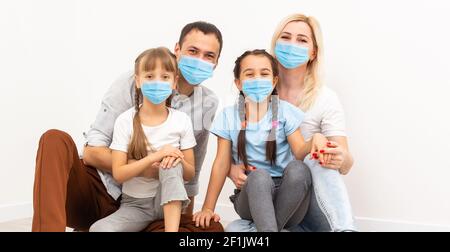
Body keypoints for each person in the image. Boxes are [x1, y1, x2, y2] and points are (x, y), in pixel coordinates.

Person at [32, 21, 223, 232]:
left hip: (156, 204)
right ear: (177, 49)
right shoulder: (132, 85)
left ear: (216, 62)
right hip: (102, 191)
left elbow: (192, 170)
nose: (199, 61)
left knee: (211, 229)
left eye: (209, 56)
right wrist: (149, 167)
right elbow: (92, 153)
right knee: (54, 139)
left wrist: (183, 221)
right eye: (193, 51)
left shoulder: (207, 103)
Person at [226, 14, 356, 232]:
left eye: (302, 40)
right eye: (285, 37)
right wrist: (232, 166)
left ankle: (345, 229)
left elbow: (347, 164)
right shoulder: (253, 94)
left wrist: (336, 155)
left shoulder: (325, 99)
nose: (292, 44)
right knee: (234, 230)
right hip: (268, 198)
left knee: (315, 159)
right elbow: (235, 145)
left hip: (308, 196)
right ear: (275, 44)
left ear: (314, 52)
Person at [193, 49, 329, 232]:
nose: (257, 79)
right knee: (259, 176)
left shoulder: (285, 112)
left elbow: (299, 151)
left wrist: (317, 138)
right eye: (250, 74)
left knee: (299, 169)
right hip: (251, 195)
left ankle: (265, 231)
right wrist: (207, 208)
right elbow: (221, 163)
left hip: (288, 201)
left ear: (274, 81)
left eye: (264, 74)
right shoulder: (228, 116)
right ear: (238, 83)